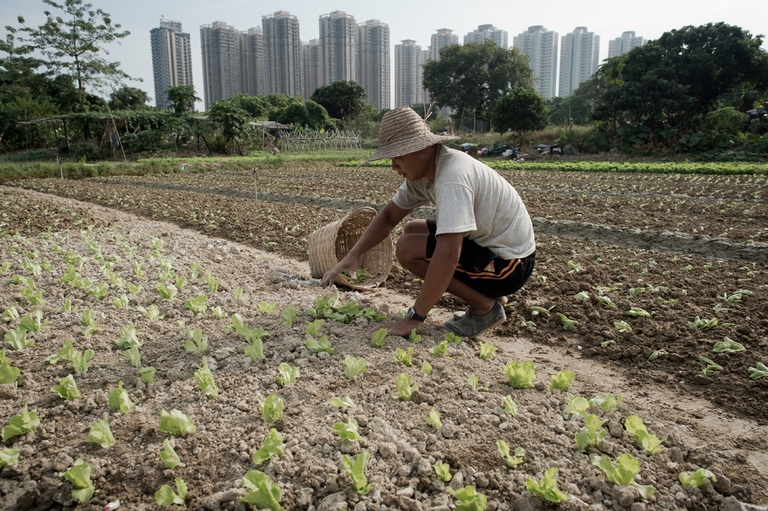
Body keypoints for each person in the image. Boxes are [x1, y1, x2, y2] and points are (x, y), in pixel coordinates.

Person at [321, 106, 535, 338]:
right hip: (490, 248)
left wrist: (413, 319)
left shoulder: (452, 177)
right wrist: (354, 254)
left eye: (398, 156)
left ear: (422, 149)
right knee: (412, 229)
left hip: (510, 264)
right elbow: (389, 216)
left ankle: (485, 307)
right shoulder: (425, 172)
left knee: (408, 250)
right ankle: (486, 293)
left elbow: (448, 255)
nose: (393, 166)